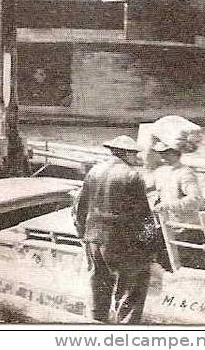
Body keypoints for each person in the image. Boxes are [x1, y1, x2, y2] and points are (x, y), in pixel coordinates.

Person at [74, 135, 156, 324]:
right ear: (126, 153)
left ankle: (97, 323)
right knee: (133, 283)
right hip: (119, 239)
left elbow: (80, 206)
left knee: (99, 283)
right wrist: (150, 244)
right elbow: (143, 215)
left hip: (93, 238)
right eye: (134, 154)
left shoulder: (94, 171)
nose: (136, 158)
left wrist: (82, 234)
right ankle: (126, 330)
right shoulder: (132, 175)